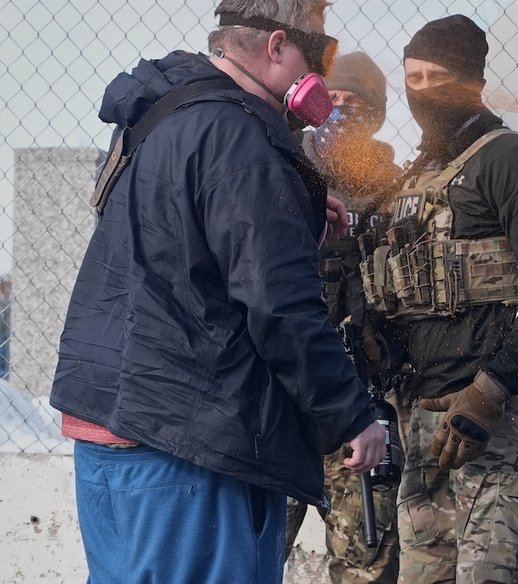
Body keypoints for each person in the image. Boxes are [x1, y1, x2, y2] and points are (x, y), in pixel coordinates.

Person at [48, 2, 386, 582]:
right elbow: (280, 303)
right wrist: (352, 416)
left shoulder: (163, 111)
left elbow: (183, 246)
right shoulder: (243, 137)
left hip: (108, 425)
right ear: (277, 47)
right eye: (321, 54)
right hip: (186, 441)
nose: (326, 76)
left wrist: (294, 210)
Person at [359, 14, 518, 584]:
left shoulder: (511, 158)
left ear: (473, 82)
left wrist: (490, 392)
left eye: (439, 77)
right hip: (424, 417)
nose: (424, 91)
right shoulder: (415, 178)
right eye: (413, 77)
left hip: (502, 413)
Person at [282, 51, 402, 584]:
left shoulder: (396, 189)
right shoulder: (283, 167)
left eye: (362, 106)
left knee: (364, 566)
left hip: (361, 406)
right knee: (243, 555)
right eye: (338, 100)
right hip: (283, 400)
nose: (346, 113)